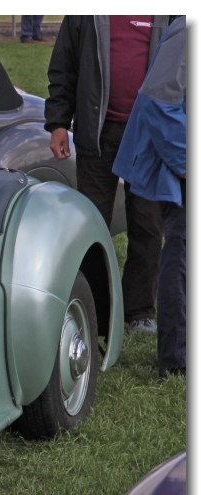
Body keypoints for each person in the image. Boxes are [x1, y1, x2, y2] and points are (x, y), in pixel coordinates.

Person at [45, 16, 171, 334]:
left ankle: (139, 310)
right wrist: (58, 122)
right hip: (97, 134)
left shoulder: (172, 12)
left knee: (148, 225)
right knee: (91, 227)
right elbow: (64, 65)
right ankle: (95, 307)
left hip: (149, 135)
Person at [113, 17, 186, 377]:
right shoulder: (188, 26)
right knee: (182, 255)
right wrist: (188, 163)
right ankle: (179, 360)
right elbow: (159, 101)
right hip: (181, 160)